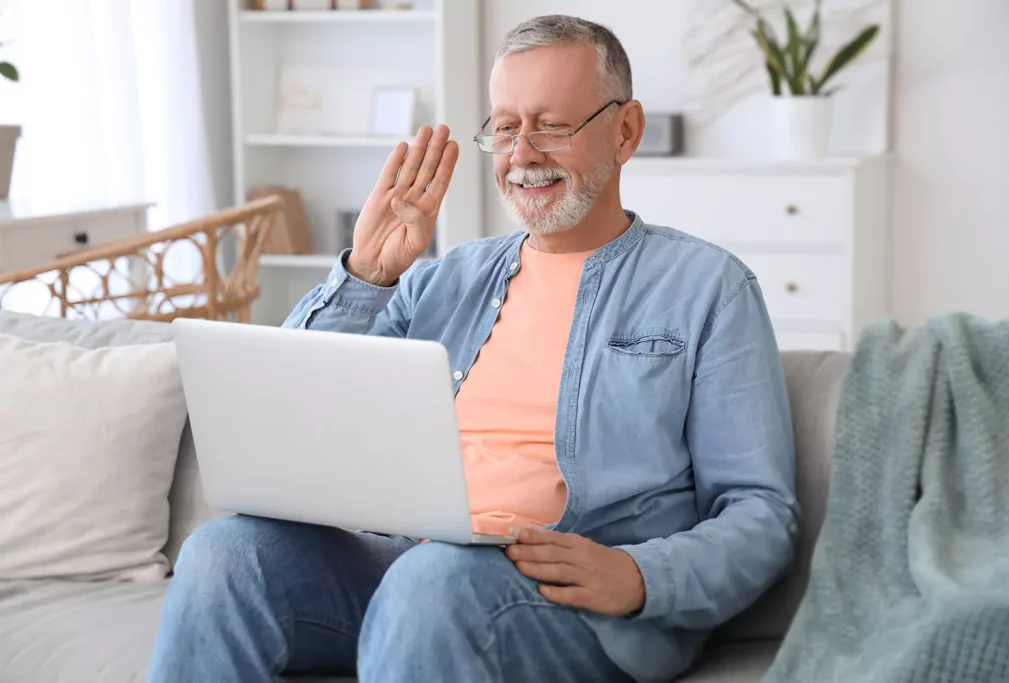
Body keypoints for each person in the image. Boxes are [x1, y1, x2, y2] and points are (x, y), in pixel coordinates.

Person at [147, 14, 798, 683]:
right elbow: (287, 416)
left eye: (550, 125)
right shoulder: (440, 280)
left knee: (432, 583)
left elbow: (760, 510)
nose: (522, 155)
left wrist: (638, 574)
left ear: (624, 130)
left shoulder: (707, 287)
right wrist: (366, 275)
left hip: (573, 604)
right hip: (408, 566)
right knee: (224, 552)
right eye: (506, 127)